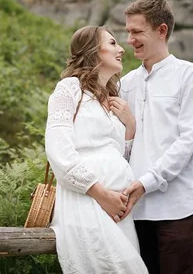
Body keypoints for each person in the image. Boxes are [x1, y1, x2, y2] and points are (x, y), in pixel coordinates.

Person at [120, 0, 193, 274]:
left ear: (161, 31)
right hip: (135, 215)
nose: (129, 39)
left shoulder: (191, 76)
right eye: (128, 32)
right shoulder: (125, 84)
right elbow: (124, 145)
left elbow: (188, 141)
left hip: (179, 210)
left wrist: (146, 182)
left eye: (137, 32)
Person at [45, 25, 148, 274]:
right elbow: (58, 151)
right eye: (112, 43)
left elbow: (119, 157)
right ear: (93, 50)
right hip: (87, 200)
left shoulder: (110, 99)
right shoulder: (69, 89)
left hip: (118, 211)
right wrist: (102, 195)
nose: (121, 48)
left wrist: (130, 125)